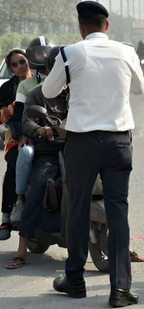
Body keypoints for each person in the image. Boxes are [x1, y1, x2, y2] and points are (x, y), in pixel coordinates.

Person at [42, 1, 144, 307]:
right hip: (118, 143)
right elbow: (140, 88)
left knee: (77, 209)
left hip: (82, 143)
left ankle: (74, 279)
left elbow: (48, 92)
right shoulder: (127, 51)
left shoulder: (70, 53)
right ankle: (120, 290)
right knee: (119, 211)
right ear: (107, 25)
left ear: (81, 27)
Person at [5, 46, 68, 270]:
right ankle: (21, 251)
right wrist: (40, 131)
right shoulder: (36, 94)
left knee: (109, 185)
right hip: (48, 152)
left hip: (75, 151)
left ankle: (120, 244)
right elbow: (27, 121)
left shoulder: (74, 92)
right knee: (38, 186)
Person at [0, 49, 33, 240]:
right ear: (11, 69)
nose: (20, 66)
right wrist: (16, 105)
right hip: (16, 139)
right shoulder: (6, 90)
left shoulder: (43, 80)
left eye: (22, 61)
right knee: (13, 165)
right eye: (15, 64)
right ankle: (6, 215)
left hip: (44, 136)